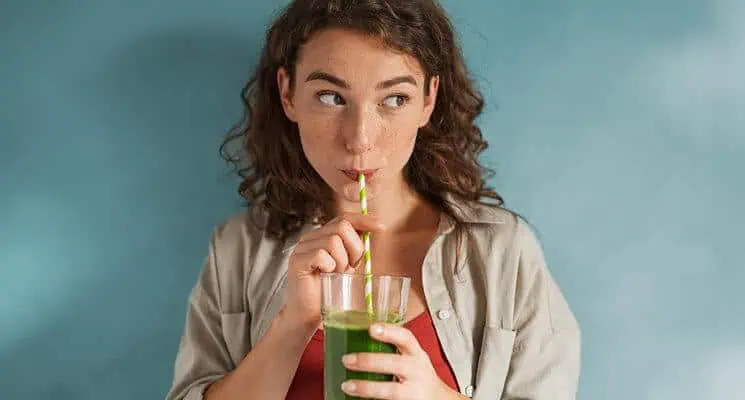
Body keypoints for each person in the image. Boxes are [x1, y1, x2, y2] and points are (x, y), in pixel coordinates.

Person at [165, 0, 581, 399]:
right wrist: (293, 324)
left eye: (394, 99)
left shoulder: (502, 252)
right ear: (288, 93)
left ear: (428, 100)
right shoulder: (236, 251)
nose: (360, 138)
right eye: (331, 97)